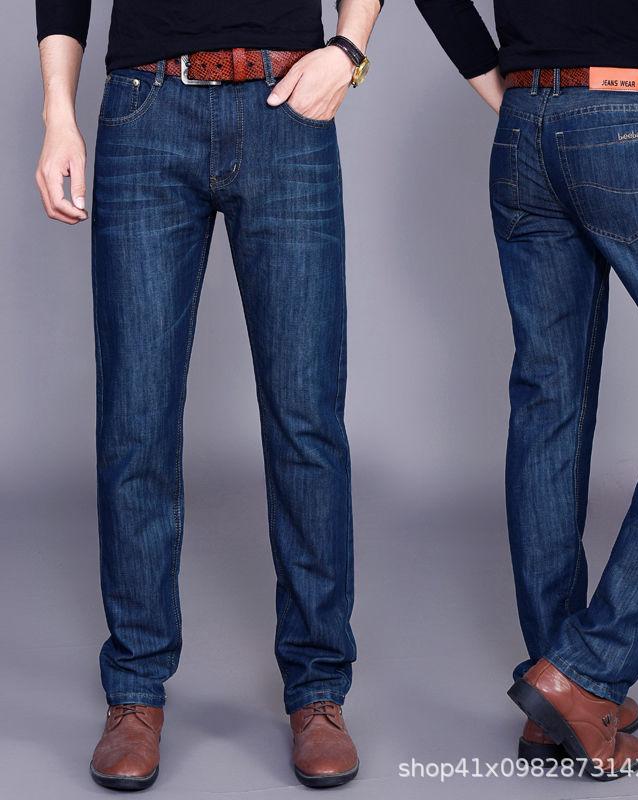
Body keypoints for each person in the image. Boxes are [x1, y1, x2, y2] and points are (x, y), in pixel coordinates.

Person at [34, 0, 382, 790]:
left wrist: (348, 49)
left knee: (306, 417)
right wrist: (58, 116)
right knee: (136, 420)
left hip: (287, 106)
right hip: (146, 109)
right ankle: (134, 692)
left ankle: (318, 690)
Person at [415, 0, 638, 780]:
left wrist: (514, 98)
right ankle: (586, 670)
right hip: (627, 121)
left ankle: (553, 690)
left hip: (525, 130)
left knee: (550, 401)